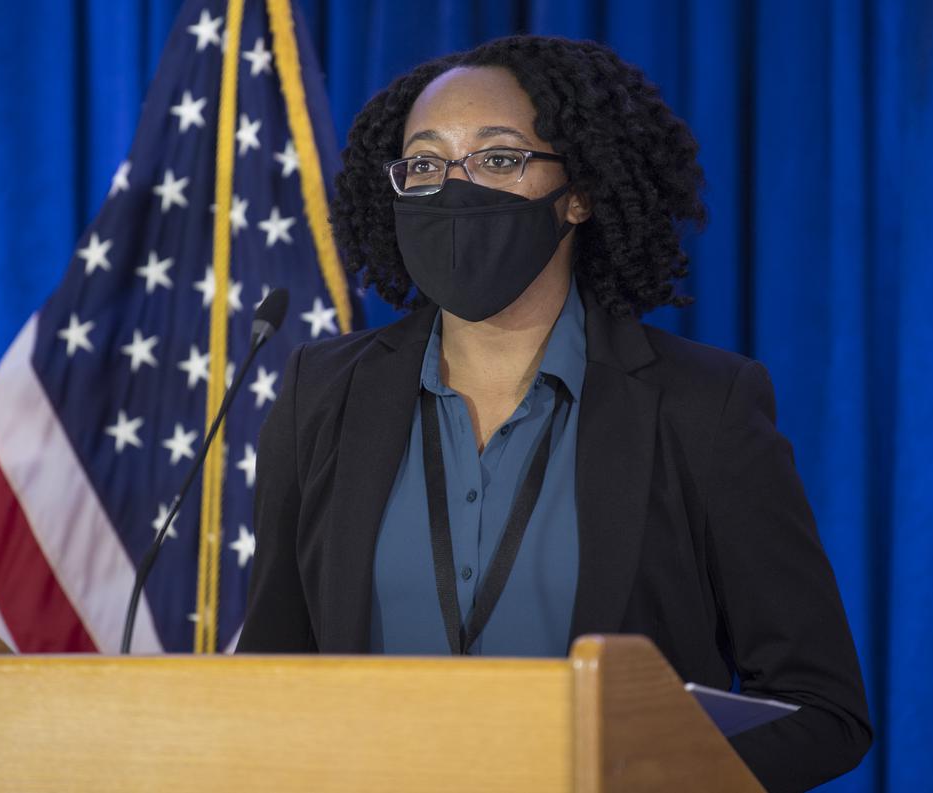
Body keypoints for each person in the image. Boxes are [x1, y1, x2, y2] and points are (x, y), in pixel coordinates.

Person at [237, 35, 871, 792]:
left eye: (498, 159)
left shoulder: (703, 408)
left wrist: (641, 774)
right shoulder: (322, 393)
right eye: (425, 163)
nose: (452, 187)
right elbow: (268, 678)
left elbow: (820, 709)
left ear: (578, 193)